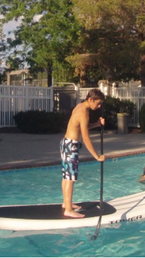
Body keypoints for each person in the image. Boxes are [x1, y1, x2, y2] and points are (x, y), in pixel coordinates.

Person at [60, 89, 105, 218]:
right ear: (91, 100)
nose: (99, 106)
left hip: (66, 143)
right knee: (70, 178)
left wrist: (96, 124)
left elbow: (81, 127)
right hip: (71, 146)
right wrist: (97, 156)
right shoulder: (83, 113)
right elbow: (86, 138)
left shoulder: (80, 107)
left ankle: (66, 203)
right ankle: (68, 209)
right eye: (98, 103)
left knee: (66, 176)